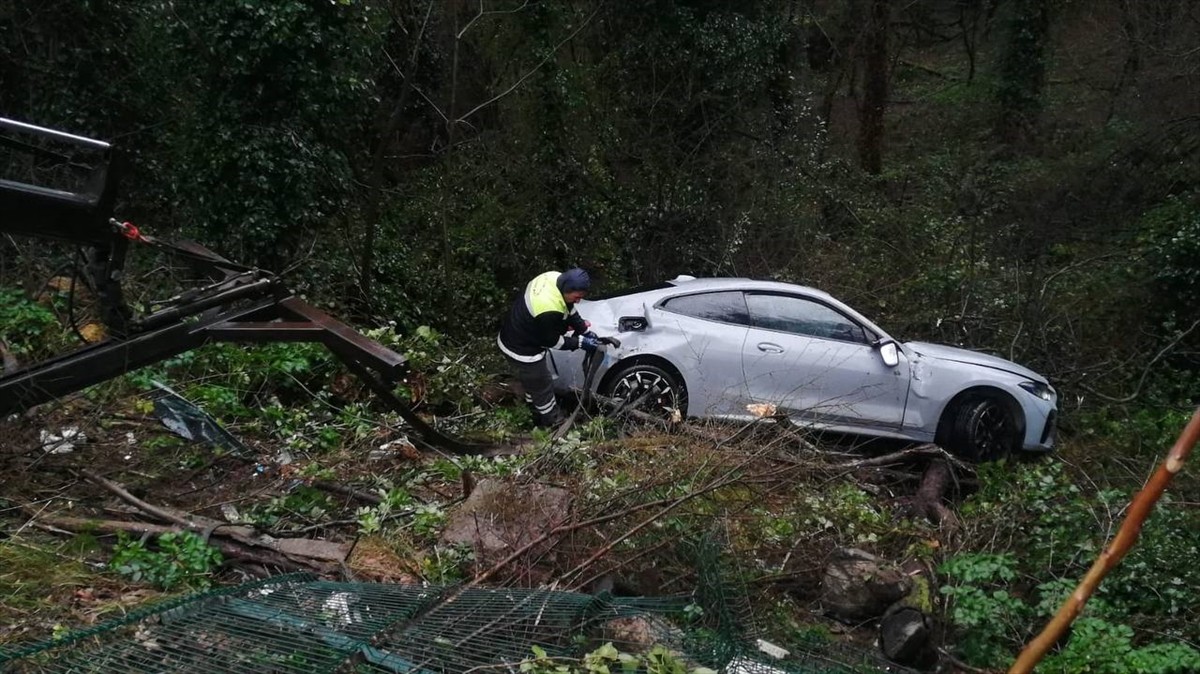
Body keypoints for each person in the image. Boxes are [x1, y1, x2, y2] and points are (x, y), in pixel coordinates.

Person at [497, 268, 600, 428]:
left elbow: (569, 309)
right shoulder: (548, 308)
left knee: (534, 383)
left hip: (515, 333)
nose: (578, 301)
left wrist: (585, 331)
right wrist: (580, 343)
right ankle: (553, 421)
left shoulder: (554, 278)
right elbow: (552, 341)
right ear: (567, 289)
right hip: (521, 349)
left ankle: (533, 409)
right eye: (577, 297)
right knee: (542, 383)